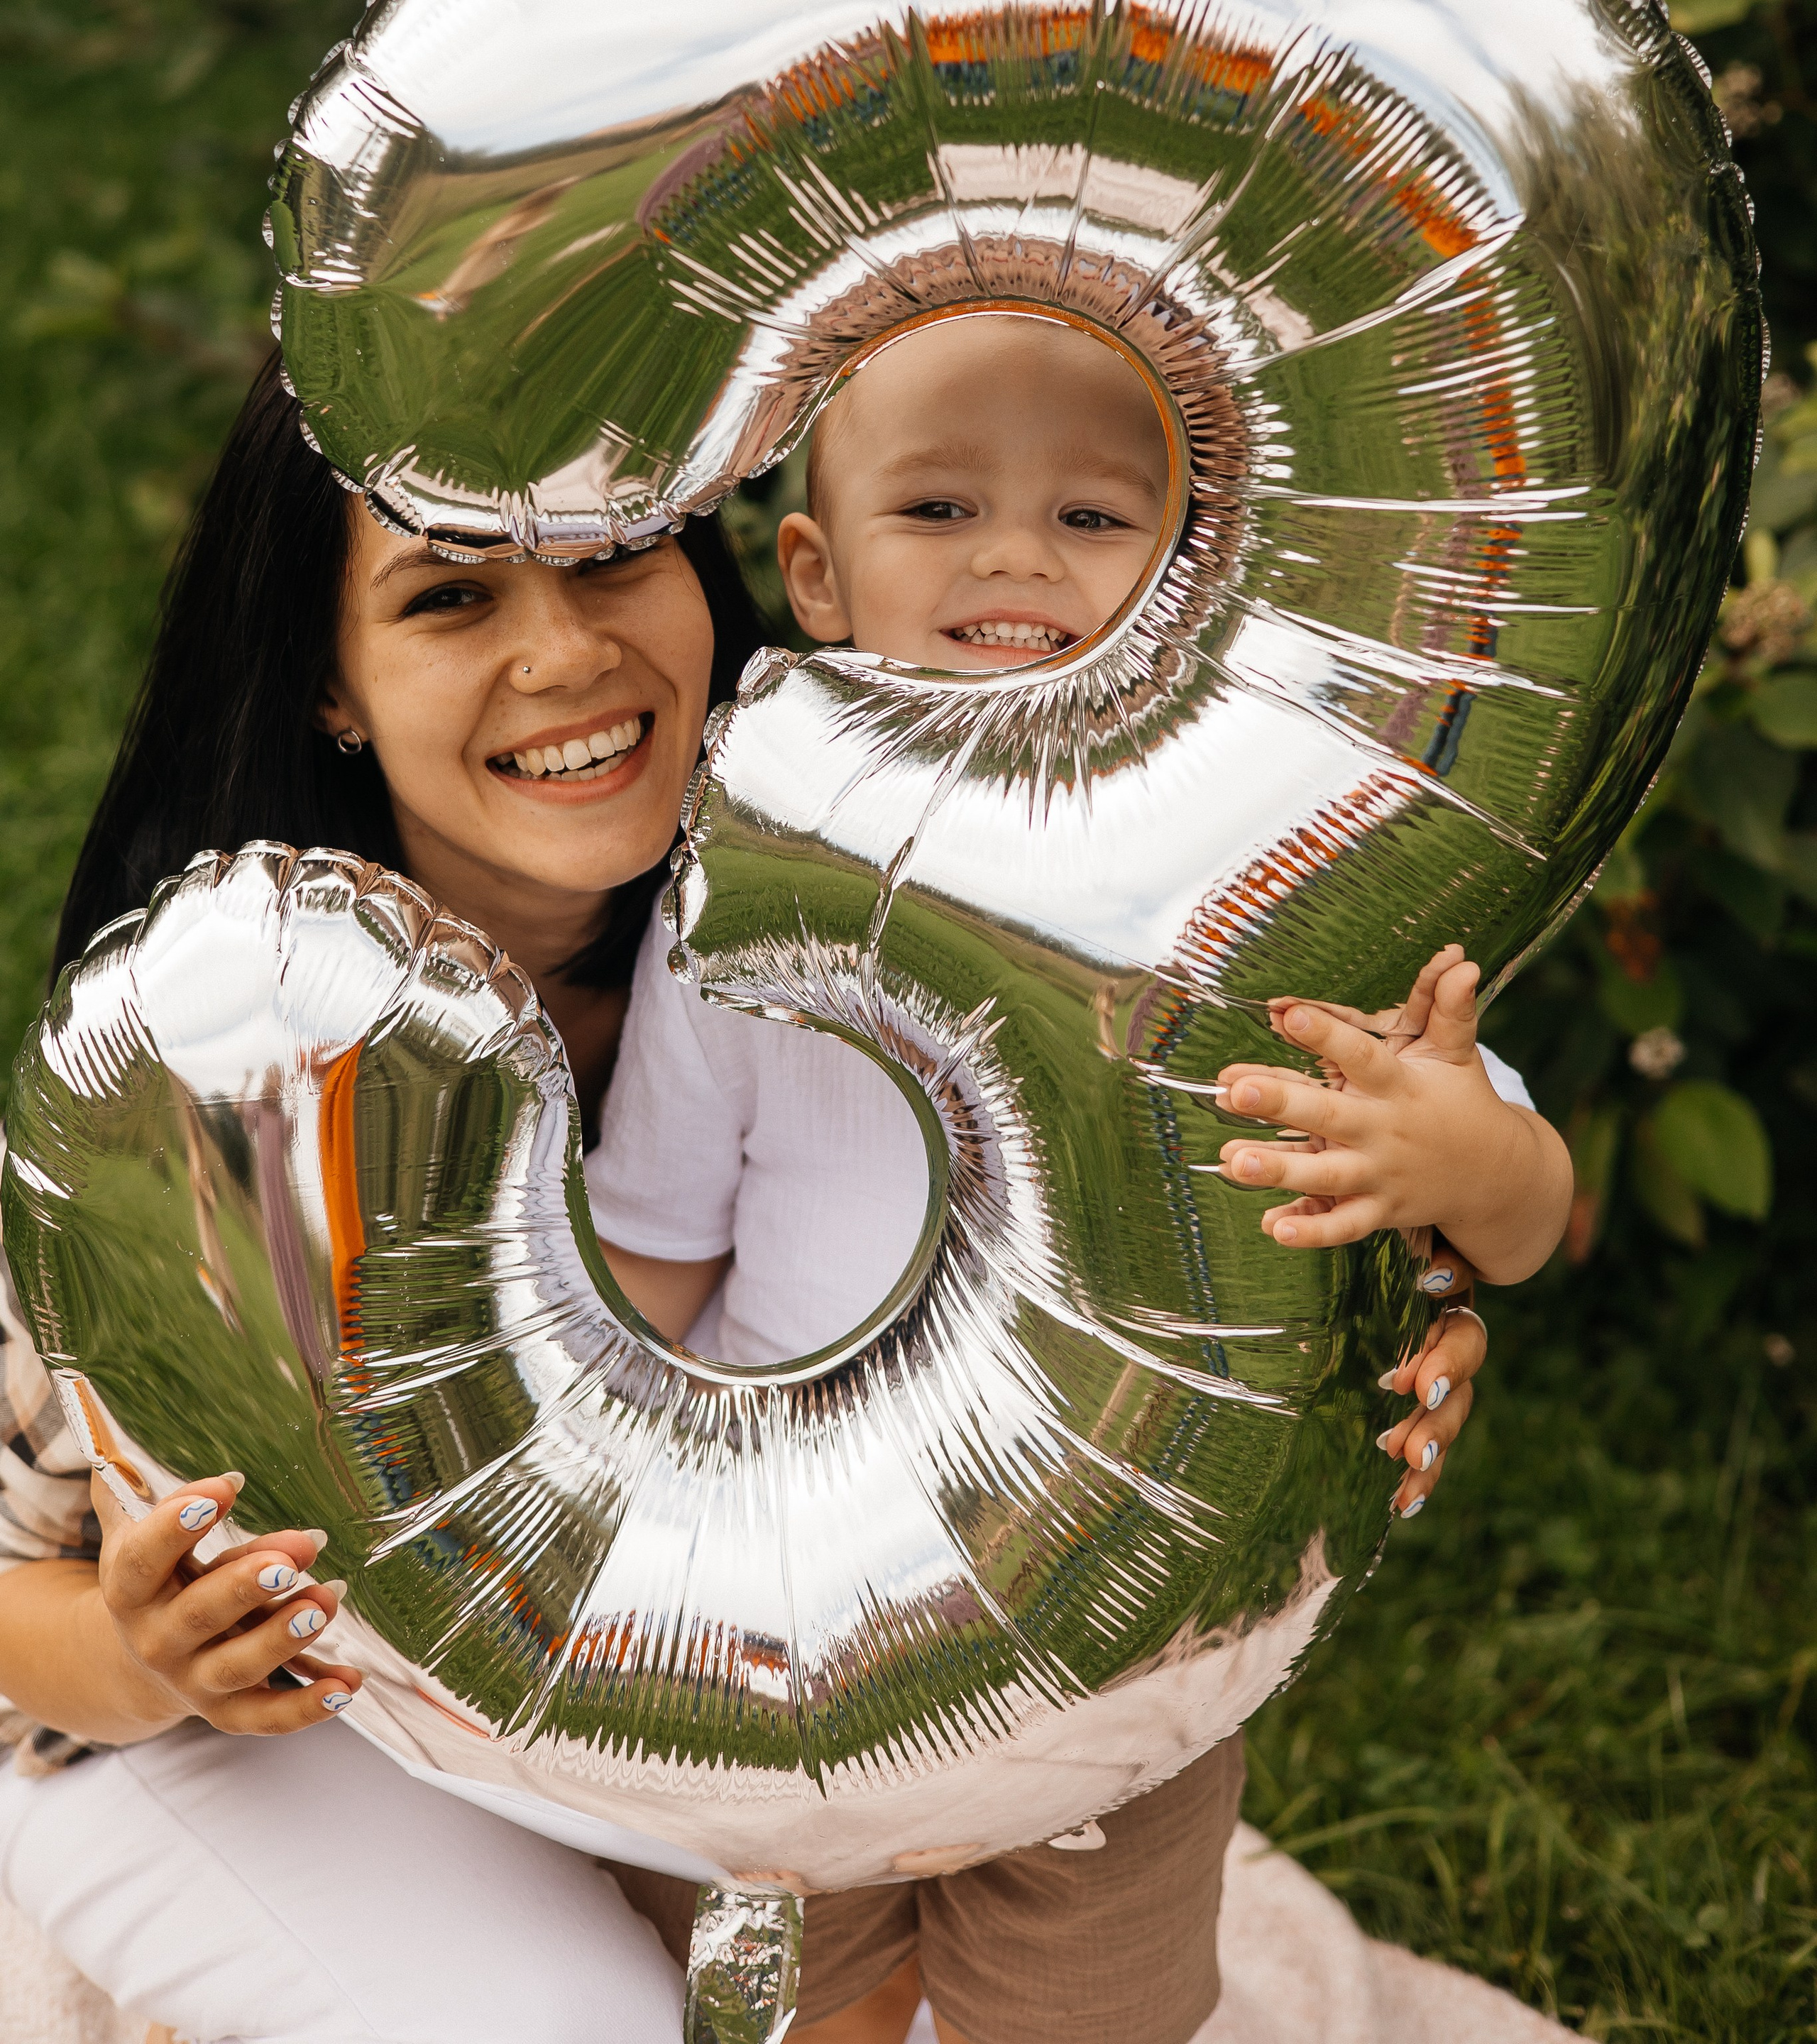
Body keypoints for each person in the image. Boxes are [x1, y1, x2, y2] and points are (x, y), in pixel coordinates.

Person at [584, 312, 1567, 2044]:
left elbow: (1522, 1218)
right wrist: (616, 1518)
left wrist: (1451, 1151)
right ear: (812, 572)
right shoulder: (744, 892)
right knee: (787, 1989)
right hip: (795, 1611)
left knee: (1085, 2006)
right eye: (940, 510)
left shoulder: (1244, 873)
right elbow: (658, 1247)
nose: (1017, 554)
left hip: (1126, 1631)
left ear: (1187, 584)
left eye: (1094, 520)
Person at [0, 351, 765, 2044]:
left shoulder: (847, 933)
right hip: (206, 1728)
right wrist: (149, 1653)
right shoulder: (218, 1056)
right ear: (331, 684)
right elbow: (8, 1583)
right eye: (448, 596)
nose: (565, 654)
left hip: (632, 1680)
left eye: (610, 553)